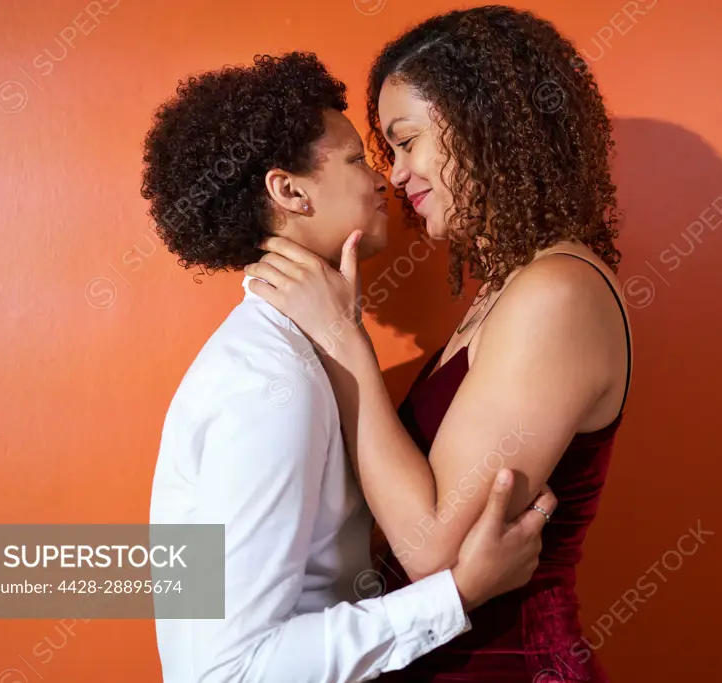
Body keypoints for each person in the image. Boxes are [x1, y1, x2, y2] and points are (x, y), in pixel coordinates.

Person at [142, 51, 557, 683]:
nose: (385, 178)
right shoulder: (269, 381)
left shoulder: (307, 351)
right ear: (290, 190)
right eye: (359, 160)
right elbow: (228, 670)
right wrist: (458, 594)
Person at [245, 6, 632, 682]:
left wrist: (343, 337)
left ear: (486, 127)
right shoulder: (508, 290)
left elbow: (429, 546)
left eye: (407, 141)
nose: (394, 175)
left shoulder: (556, 295)